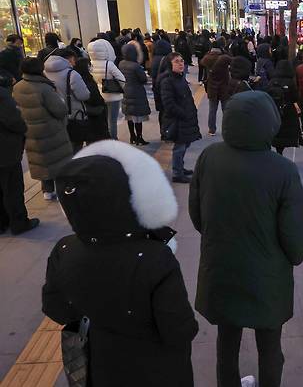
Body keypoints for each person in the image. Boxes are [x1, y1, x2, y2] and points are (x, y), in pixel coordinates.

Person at [42, 140, 198, 387]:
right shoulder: (155, 257)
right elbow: (179, 330)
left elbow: (56, 308)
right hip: (155, 370)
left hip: (97, 367)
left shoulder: (64, 248)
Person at [190, 90, 303, 387]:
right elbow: (293, 240)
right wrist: (293, 257)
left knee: (226, 341)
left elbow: (196, 215)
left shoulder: (209, 157)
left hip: (221, 267)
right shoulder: (283, 170)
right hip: (267, 275)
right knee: (269, 346)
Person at [13, 58, 73, 200]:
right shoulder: (44, 87)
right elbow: (59, 110)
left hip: (30, 131)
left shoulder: (18, 87)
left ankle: (47, 190)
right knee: (57, 160)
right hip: (50, 130)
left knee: (42, 161)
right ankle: (60, 190)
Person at [0, 72, 39, 234]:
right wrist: (23, 130)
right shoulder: (2, 95)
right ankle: (19, 222)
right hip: (5, 150)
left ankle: (2, 223)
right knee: (13, 188)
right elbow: (14, 120)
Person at [160, 53, 201, 183]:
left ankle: (180, 167)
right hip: (177, 120)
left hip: (185, 118)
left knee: (185, 144)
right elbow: (168, 104)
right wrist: (183, 114)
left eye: (182, 61)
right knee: (179, 147)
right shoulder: (167, 81)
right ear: (169, 64)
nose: (181, 64)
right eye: (176, 61)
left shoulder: (180, 77)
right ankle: (177, 173)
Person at [44, 49, 91, 152]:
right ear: (69, 59)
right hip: (73, 116)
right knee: (75, 147)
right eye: (74, 59)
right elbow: (84, 95)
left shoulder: (44, 73)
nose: (75, 62)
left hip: (53, 116)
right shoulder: (72, 74)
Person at [87, 38, 126, 140]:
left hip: (99, 94)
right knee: (112, 120)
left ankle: (105, 138)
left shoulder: (90, 64)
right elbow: (122, 79)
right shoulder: (109, 64)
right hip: (113, 95)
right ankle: (113, 139)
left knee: (104, 119)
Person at [267, 60, 303, 154]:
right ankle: (280, 151)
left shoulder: (272, 81)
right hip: (288, 110)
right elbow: (295, 97)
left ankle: (277, 149)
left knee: (276, 130)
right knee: (284, 130)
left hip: (274, 109)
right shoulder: (290, 82)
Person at [119, 43, 151, 145]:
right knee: (138, 117)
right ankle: (139, 137)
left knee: (129, 116)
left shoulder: (121, 63)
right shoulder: (135, 66)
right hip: (137, 92)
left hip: (125, 91)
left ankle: (132, 136)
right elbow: (143, 79)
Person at [73, 58, 110, 143]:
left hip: (87, 112)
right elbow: (93, 97)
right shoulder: (87, 80)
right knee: (99, 135)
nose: (90, 67)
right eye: (89, 65)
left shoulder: (78, 78)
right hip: (95, 112)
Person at [201, 38, 232, 136]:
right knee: (226, 109)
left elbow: (202, 62)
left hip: (212, 87)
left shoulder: (207, 57)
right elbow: (233, 61)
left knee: (212, 109)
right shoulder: (225, 57)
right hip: (224, 86)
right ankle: (227, 128)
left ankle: (212, 129)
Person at [151, 38, 173, 138]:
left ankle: (163, 133)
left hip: (156, 88)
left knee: (162, 112)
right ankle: (167, 132)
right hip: (165, 89)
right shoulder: (166, 60)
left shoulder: (154, 58)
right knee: (168, 112)